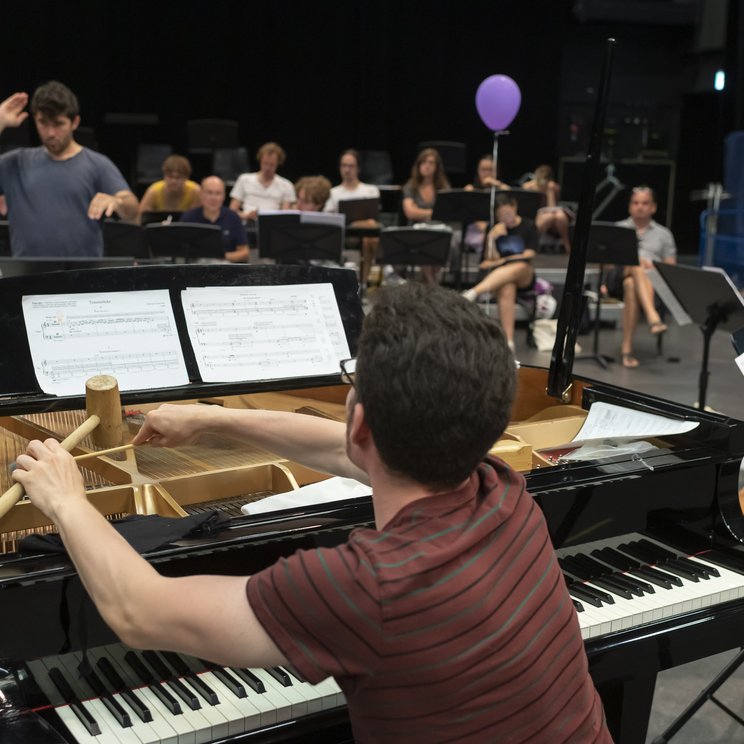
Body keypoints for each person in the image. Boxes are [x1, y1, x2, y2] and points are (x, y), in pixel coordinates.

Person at [12, 283, 611, 744]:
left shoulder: (366, 585)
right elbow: (343, 448)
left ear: (360, 423)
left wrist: (66, 498)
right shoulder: (503, 489)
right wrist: (214, 417)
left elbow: (139, 612)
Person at [0, 82, 138, 257]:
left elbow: (132, 207)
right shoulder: (16, 163)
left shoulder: (96, 164)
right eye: (43, 122)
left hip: (82, 277)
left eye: (58, 124)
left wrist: (117, 202)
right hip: (27, 277)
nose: (50, 132)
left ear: (75, 122)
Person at [607, 186, 675, 368]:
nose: (640, 207)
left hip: (652, 284)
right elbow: (606, 262)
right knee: (635, 267)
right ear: (630, 206)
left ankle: (626, 350)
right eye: (636, 203)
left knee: (632, 283)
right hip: (618, 279)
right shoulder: (619, 228)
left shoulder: (664, 234)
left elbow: (671, 268)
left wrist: (651, 265)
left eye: (645, 203)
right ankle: (653, 317)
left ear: (653, 207)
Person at [462, 193, 538, 352]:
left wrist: (505, 261)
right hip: (499, 278)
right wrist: (491, 238)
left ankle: (473, 292)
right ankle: (509, 342)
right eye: (501, 215)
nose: (505, 218)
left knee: (519, 267)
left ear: (515, 207)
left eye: (508, 213)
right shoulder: (494, 228)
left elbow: (530, 254)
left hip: (523, 274)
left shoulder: (529, 225)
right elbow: (488, 260)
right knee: (507, 286)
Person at [325, 149, 381, 288]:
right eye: (344, 165)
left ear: (358, 168)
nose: (347, 169)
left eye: (351, 166)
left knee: (369, 235)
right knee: (369, 225)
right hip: (345, 234)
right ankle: (384, 268)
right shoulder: (334, 192)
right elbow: (328, 216)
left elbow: (374, 214)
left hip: (366, 235)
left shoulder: (370, 190)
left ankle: (362, 283)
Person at [402, 147, 451, 284]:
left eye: (431, 163)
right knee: (423, 242)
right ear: (418, 165)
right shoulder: (411, 186)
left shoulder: (443, 187)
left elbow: (447, 212)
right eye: (424, 162)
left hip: (439, 228)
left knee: (448, 242)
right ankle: (433, 285)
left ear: (437, 166)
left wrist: (422, 212)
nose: (427, 166)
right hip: (417, 229)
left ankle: (429, 282)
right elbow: (410, 212)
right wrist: (433, 213)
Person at [179, 175, 249, 262]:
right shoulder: (189, 217)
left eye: (218, 193)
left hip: (226, 267)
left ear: (223, 196)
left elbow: (244, 252)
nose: (213, 198)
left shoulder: (233, 217)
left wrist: (222, 256)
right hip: (196, 267)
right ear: (201, 194)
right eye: (209, 193)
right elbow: (179, 250)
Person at [229, 142, 295, 221]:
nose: (267, 168)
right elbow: (232, 210)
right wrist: (245, 216)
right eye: (265, 163)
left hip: (272, 225)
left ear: (278, 163)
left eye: (271, 165)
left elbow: (285, 215)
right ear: (260, 160)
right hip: (247, 223)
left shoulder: (286, 185)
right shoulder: (244, 179)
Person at [462, 154, 510, 259]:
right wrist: (489, 231)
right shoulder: (470, 189)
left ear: (496, 172)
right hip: (477, 231)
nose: (486, 173)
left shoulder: (500, 189)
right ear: (478, 171)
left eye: (491, 170)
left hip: (499, 229)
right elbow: (471, 215)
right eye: (483, 170)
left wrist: (496, 184)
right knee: (491, 242)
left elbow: (513, 198)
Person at [523, 164, 572, 253]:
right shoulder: (528, 186)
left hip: (553, 220)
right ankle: (532, 244)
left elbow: (552, 207)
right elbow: (527, 209)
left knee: (559, 216)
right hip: (535, 217)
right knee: (550, 217)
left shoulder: (553, 187)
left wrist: (549, 191)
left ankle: (567, 245)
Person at [137, 154, 201, 218]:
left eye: (178, 177)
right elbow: (141, 216)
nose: (174, 181)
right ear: (164, 175)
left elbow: (197, 218)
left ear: (186, 178)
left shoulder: (195, 191)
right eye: (170, 176)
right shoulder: (154, 191)